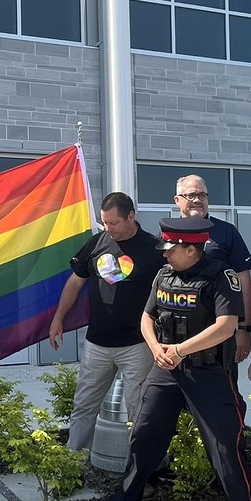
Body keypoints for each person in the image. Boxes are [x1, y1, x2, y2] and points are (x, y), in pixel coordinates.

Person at [97, 217, 251, 501]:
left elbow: (226, 326)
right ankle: (129, 498)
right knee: (145, 433)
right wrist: (157, 347)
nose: (165, 254)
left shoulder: (221, 275)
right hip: (167, 369)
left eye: (171, 249)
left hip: (208, 372)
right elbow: (147, 316)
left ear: (191, 249)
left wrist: (179, 350)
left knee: (224, 446)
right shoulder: (164, 274)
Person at [48, 192, 165, 452]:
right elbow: (75, 282)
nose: (107, 228)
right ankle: (72, 463)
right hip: (97, 343)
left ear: (131, 216)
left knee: (140, 409)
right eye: (104, 222)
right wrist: (58, 318)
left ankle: (141, 471)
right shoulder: (96, 243)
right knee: (84, 404)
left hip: (137, 344)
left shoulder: (155, 249)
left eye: (113, 223)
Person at [173, 175, 251, 364]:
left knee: (221, 392)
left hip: (218, 334)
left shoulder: (227, 232)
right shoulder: (168, 233)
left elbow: (243, 281)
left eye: (202, 195)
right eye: (191, 195)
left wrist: (244, 329)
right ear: (177, 200)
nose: (197, 200)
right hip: (176, 333)